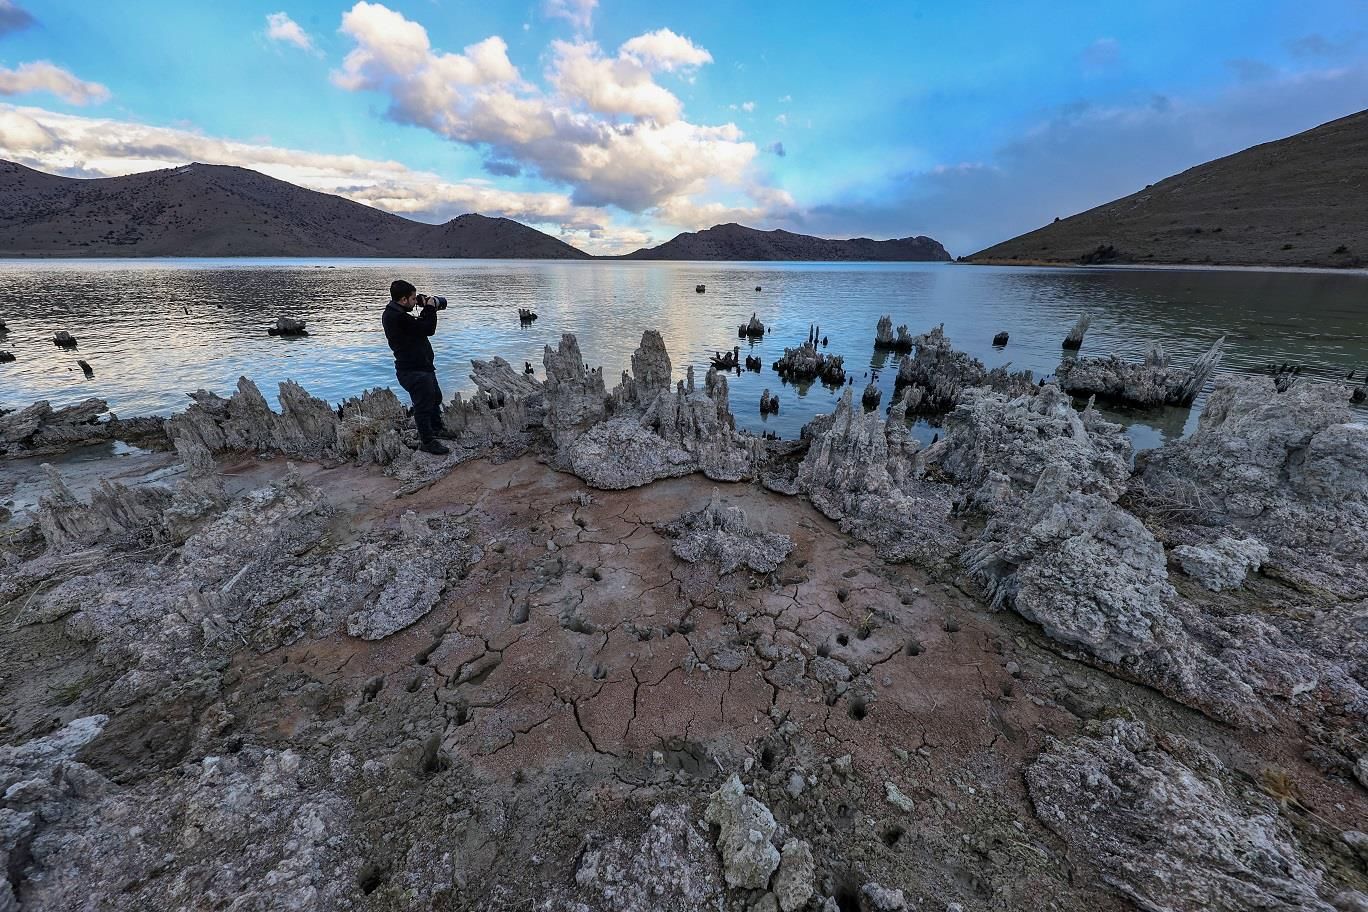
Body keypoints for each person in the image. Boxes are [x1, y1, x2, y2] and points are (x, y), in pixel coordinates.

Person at [382, 279, 452, 455]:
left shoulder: (397, 313)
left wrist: (423, 307)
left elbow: (417, 327)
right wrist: (430, 307)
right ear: (403, 299)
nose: (415, 302)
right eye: (413, 299)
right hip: (413, 370)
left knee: (435, 397)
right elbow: (428, 329)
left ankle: (436, 429)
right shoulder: (396, 317)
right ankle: (427, 442)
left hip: (422, 367)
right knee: (423, 406)